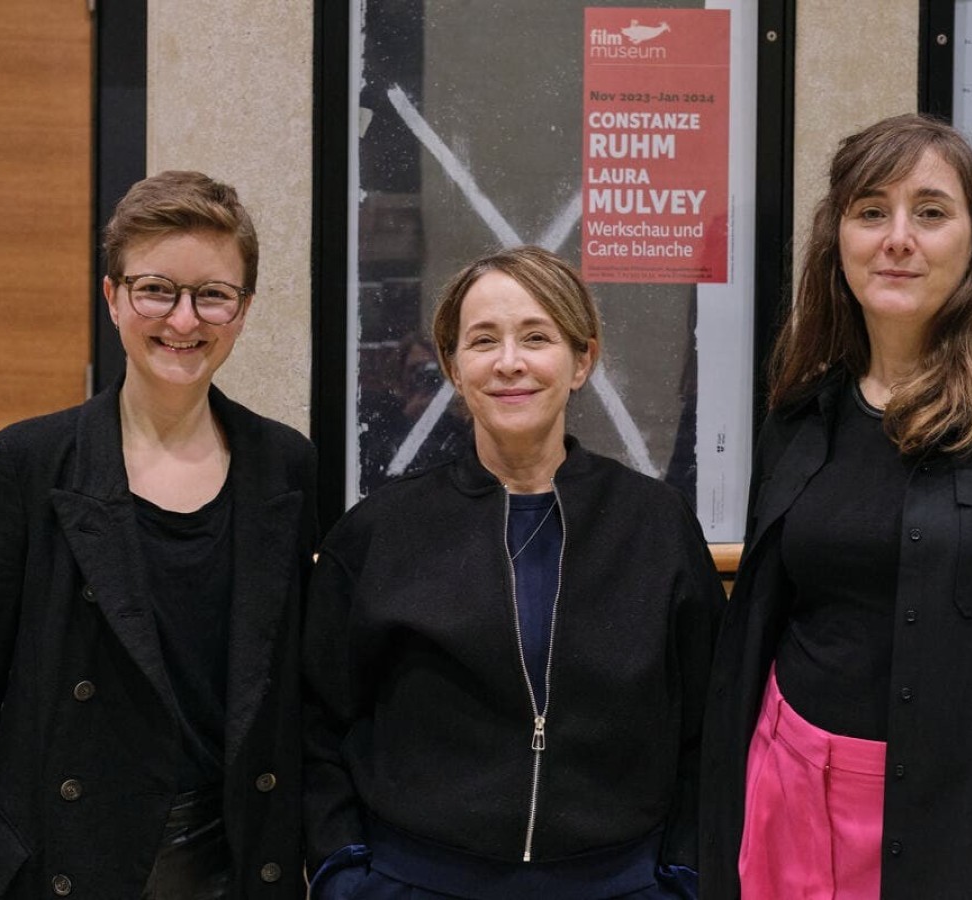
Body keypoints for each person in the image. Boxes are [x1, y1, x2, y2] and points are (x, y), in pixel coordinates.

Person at [700, 113, 972, 899]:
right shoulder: (798, 414)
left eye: (929, 211)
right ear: (839, 241)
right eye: (870, 211)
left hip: (957, 824)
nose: (897, 238)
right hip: (784, 793)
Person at [0, 171, 318, 898]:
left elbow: (297, 695)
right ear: (113, 296)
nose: (184, 320)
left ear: (244, 310)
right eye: (156, 289)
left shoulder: (285, 466)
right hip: (70, 858)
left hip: (235, 859)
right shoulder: (23, 464)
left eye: (213, 295)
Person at [304, 245, 725, 900]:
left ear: (582, 359)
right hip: (417, 883)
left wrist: (682, 875)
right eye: (482, 341)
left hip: (619, 885)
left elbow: (707, 727)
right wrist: (342, 873)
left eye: (536, 337)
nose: (509, 363)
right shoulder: (380, 534)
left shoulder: (655, 527)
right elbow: (315, 724)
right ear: (452, 364)